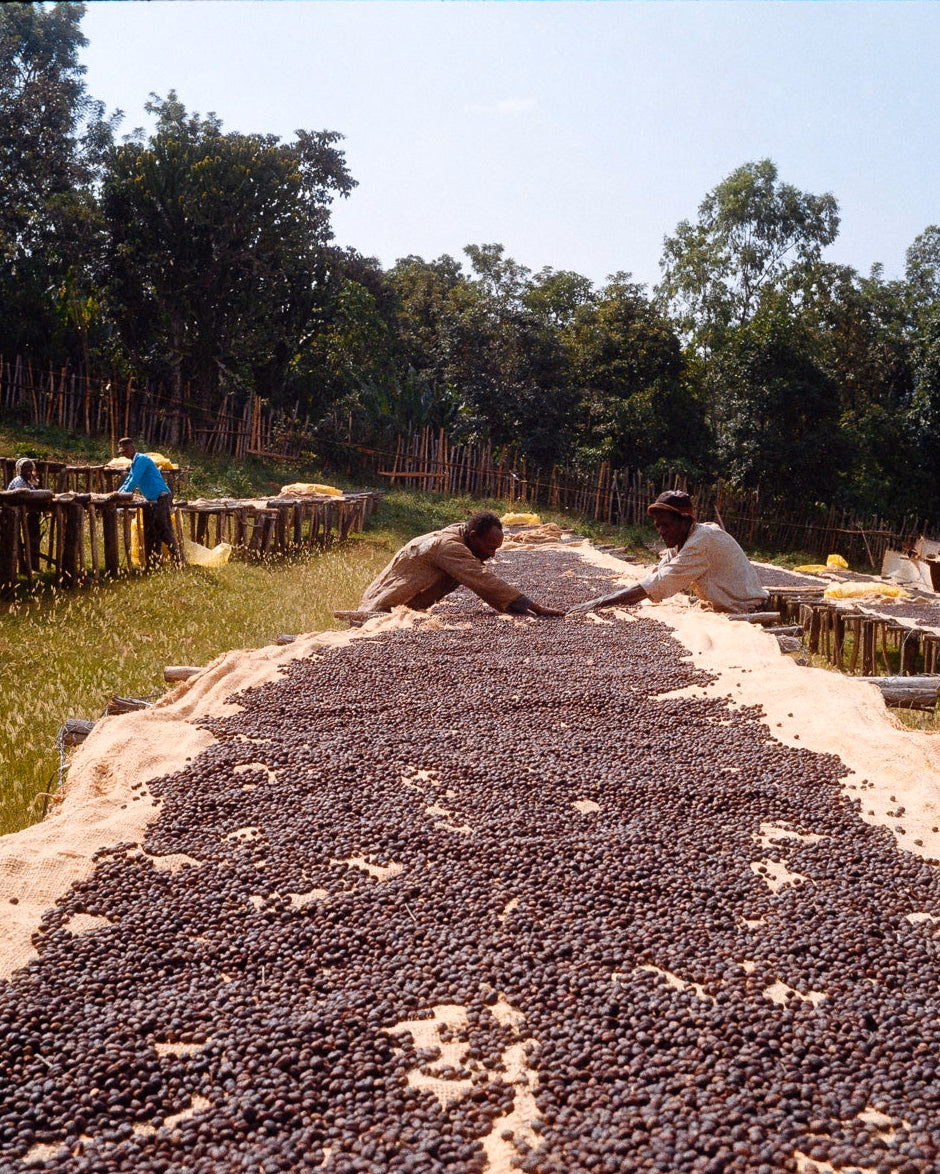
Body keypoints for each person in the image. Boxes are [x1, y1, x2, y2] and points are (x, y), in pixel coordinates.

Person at [570, 490, 769, 615]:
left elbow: (662, 582)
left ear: (686, 520)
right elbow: (657, 575)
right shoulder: (682, 541)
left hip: (746, 609)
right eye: (658, 526)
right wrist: (608, 598)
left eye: (666, 525)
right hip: (728, 607)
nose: (661, 531)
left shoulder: (702, 541)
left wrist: (598, 603)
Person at [358, 510, 563, 617]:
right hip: (384, 608)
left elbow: (479, 580)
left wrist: (512, 606)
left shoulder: (460, 535)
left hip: (396, 603)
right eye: (490, 548)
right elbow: (480, 578)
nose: (492, 555)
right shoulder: (449, 547)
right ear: (473, 536)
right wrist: (534, 607)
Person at [116, 437, 181, 567]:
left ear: (132, 448)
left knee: (163, 528)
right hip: (152, 499)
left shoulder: (142, 459)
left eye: (126, 451)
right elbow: (128, 480)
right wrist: (117, 494)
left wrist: (121, 496)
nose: (124, 454)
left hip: (162, 497)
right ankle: (154, 564)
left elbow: (134, 480)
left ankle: (178, 561)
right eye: (122, 452)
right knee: (152, 532)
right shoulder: (135, 463)